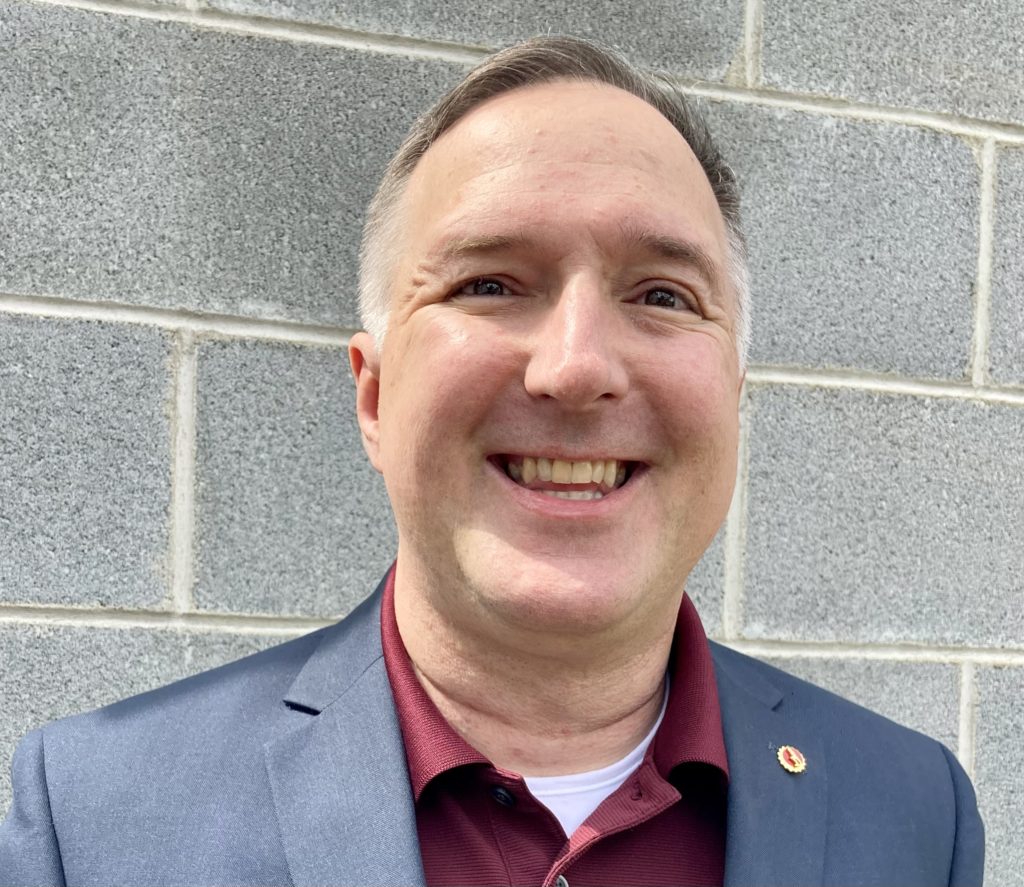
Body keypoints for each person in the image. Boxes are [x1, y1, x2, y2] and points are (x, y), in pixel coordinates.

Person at [0, 36, 983, 887]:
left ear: (732, 394)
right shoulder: (93, 821)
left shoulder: (909, 813)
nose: (575, 366)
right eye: (490, 283)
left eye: (662, 295)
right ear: (374, 395)